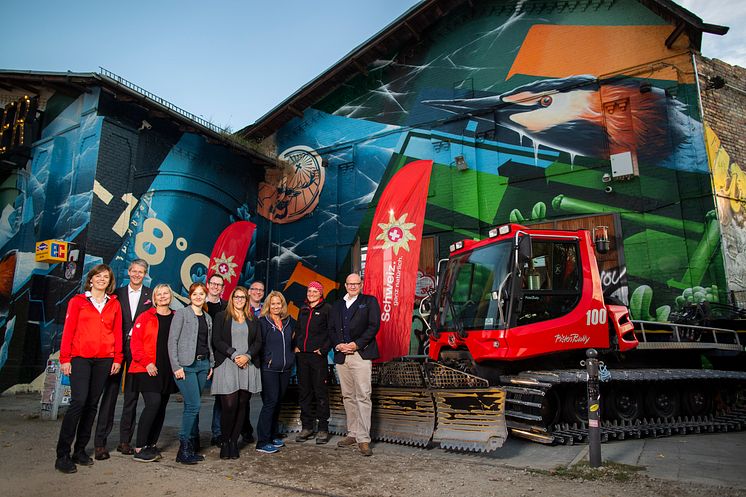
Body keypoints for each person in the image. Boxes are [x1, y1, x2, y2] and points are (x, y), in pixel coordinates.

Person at [55, 264, 123, 473]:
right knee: (79, 401)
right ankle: (63, 454)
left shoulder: (114, 304)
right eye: (98, 276)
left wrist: (117, 358)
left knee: (93, 404)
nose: (102, 279)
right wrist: (65, 358)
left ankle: (80, 450)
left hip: (105, 359)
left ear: (109, 281)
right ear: (91, 279)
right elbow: (69, 331)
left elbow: (118, 332)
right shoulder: (78, 302)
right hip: (81, 358)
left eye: (106, 276)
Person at [95, 259, 152, 459]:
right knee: (110, 395)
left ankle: (124, 441)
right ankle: (100, 443)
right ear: (129, 272)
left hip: (138, 350)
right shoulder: (115, 294)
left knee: (132, 396)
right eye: (134, 271)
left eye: (141, 272)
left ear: (145, 274)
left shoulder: (150, 295)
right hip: (116, 349)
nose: (137, 274)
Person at [329, 273, 380, 457]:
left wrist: (356, 344)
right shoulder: (337, 305)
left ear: (361, 284)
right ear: (345, 285)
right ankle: (352, 433)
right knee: (348, 395)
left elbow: (374, 326)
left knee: (363, 396)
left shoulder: (369, 301)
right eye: (350, 284)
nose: (352, 286)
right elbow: (331, 328)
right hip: (342, 355)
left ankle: (364, 439)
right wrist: (338, 345)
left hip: (361, 354)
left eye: (356, 284)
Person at [127, 284, 178, 463]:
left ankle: (151, 444)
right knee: (153, 403)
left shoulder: (175, 317)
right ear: (154, 298)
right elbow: (135, 344)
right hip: (147, 368)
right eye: (159, 294)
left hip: (166, 369)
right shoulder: (145, 316)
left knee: (161, 407)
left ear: (170, 296)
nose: (163, 297)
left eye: (166, 294)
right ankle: (140, 446)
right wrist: (147, 362)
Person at [211, 286, 262, 459]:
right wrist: (234, 355)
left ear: (247, 301)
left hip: (247, 365)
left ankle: (233, 442)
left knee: (242, 405)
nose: (239, 300)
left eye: (243, 297)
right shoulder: (221, 317)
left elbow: (258, 342)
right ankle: (224, 441)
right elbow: (216, 340)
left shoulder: (253, 319)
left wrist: (247, 356)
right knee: (229, 405)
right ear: (232, 299)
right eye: (236, 297)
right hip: (227, 363)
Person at [168, 282, 213, 464]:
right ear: (190, 296)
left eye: (201, 294)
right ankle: (183, 449)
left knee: (191, 406)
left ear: (205, 296)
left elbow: (208, 343)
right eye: (195, 294)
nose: (198, 297)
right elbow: (172, 341)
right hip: (185, 366)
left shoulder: (208, 317)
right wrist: (176, 366)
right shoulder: (182, 314)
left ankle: (191, 447)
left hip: (202, 366)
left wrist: (211, 364)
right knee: (194, 404)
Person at [255, 291, 295, 454]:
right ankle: (262, 441)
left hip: (285, 368)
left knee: (278, 402)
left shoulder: (288, 321)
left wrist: (293, 354)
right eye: (273, 303)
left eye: (279, 303)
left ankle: (272, 436)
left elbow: (296, 337)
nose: (276, 306)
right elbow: (259, 344)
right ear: (268, 305)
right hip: (269, 369)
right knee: (270, 402)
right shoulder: (262, 322)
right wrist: (267, 359)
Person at [293, 281, 332, 444]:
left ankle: (323, 429)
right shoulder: (303, 309)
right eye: (309, 291)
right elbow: (298, 330)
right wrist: (296, 346)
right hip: (302, 357)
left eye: (315, 291)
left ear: (321, 293)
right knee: (305, 392)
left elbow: (332, 332)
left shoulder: (327, 309)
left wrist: (323, 350)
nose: (312, 293)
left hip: (318, 357)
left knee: (320, 392)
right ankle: (307, 427)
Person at [241, 280, 265, 443]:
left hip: (264, 359)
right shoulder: (241, 310)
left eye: (261, 290)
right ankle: (245, 431)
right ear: (249, 291)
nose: (257, 292)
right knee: (244, 398)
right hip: (246, 358)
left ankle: (269, 430)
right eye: (254, 289)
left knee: (268, 398)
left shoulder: (267, 310)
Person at [205, 274, 228, 448]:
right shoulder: (198, 302)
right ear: (208, 285)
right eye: (213, 283)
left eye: (219, 285)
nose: (215, 287)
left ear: (222, 288)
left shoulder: (227, 307)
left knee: (221, 397)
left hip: (220, 357)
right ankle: (191, 435)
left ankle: (217, 432)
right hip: (200, 356)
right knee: (194, 400)